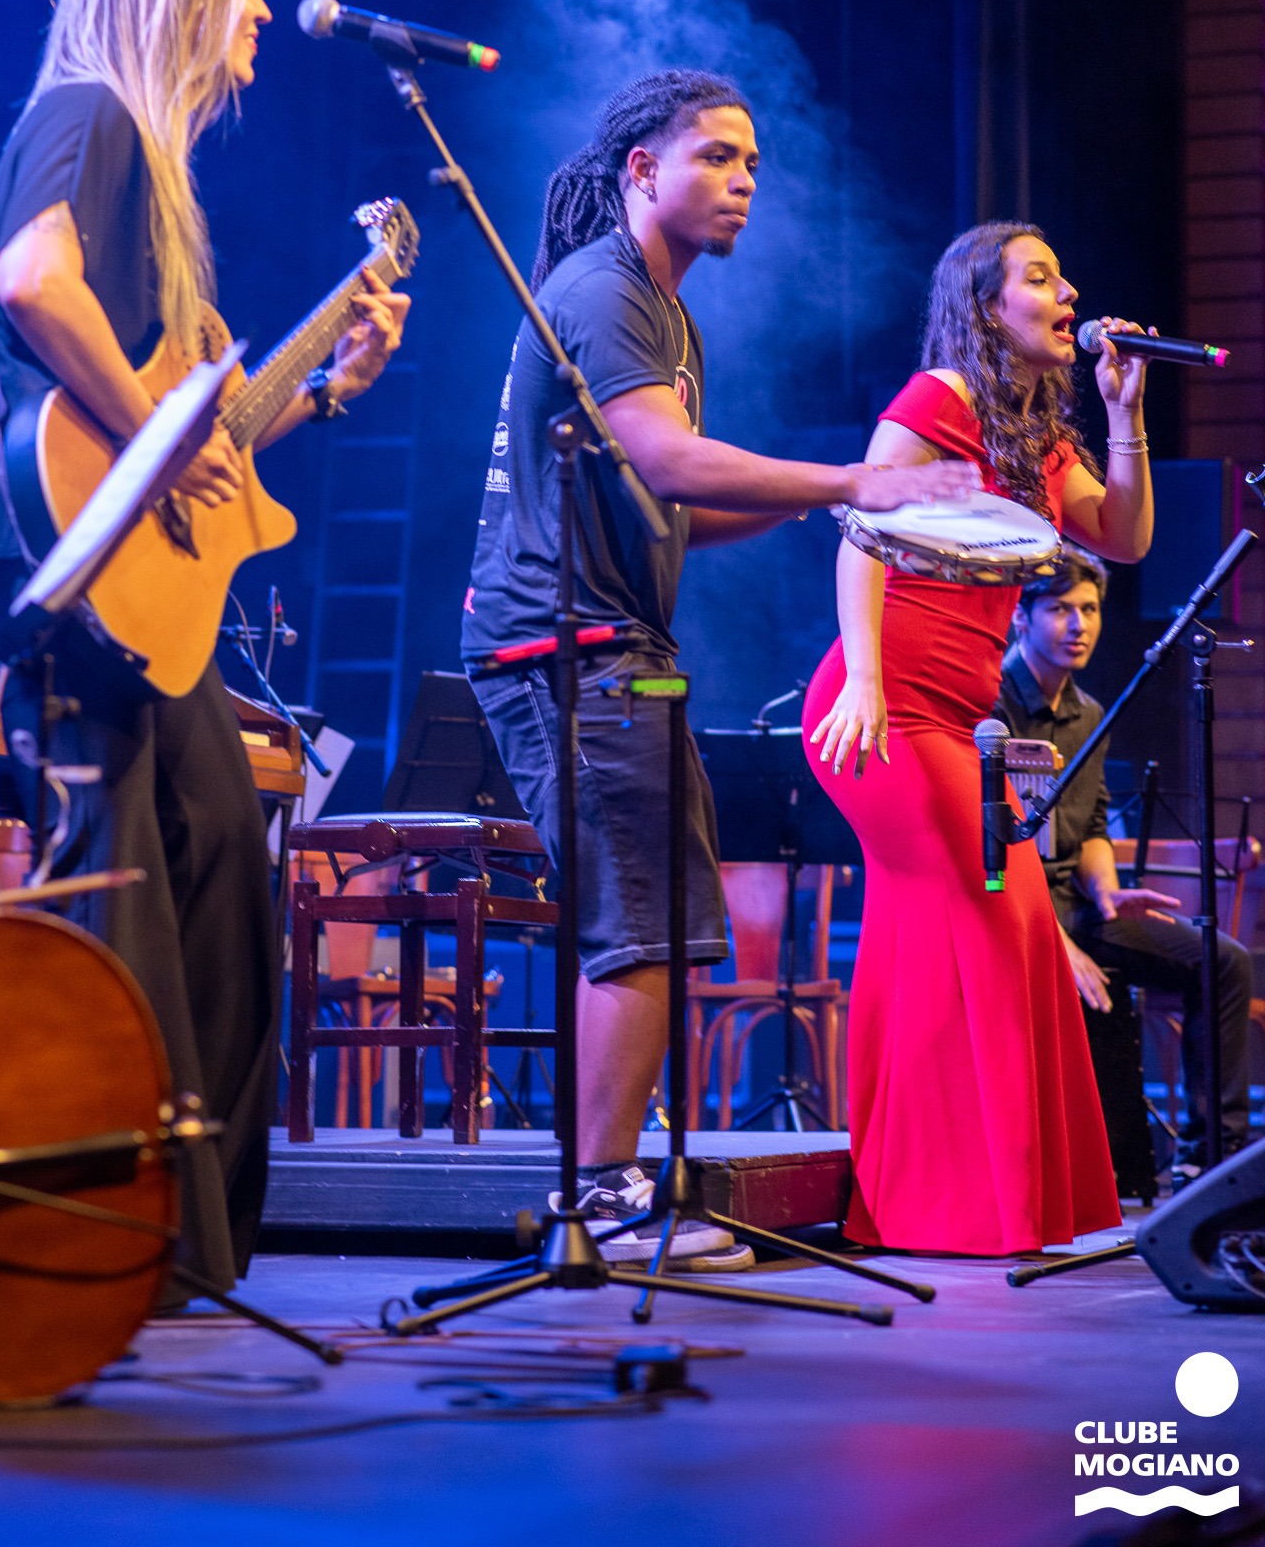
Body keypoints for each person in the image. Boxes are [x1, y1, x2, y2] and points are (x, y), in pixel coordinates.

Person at [0, 0, 409, 1298]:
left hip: (117, 578)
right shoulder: (87, 113)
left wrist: (327, 390)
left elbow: (210, 458)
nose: (259, 8)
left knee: (213, 861)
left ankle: (184, 1240)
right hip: (49, 561)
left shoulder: (152, 182)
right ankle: (95, 1236)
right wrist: (153, 423)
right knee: (130, 879)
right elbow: (33, 281)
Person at [461, 69, 979, 1266]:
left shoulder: (667, 316)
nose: (744, 180)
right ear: (643, 169)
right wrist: (856, 478)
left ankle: (613, 1177)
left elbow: (676, 508)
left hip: (620, 644)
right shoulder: (603, 289)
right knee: (639, 919)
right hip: (563, 643)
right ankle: (603, 1194)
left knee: (664, 912)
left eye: (752, 161)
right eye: (717, 156)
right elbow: (671, 461)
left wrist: (836, 507)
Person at [803, 222, 1156, 1256]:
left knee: (948, 937)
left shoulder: (1039, 435)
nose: (1067, 291)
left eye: (1063, 274)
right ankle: (965, 1202)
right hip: (880, 706)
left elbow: (1125, 535)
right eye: (1040, 277)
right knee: (1003, 920)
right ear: (985, 305)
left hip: (954, 721)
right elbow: (862, 528)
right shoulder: (942, 398)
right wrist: (865, 675)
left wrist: (1124, 411)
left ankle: (933, 1198)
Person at [995, 547, 1254, 1189]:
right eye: (1060, 609)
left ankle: (1209, 1158)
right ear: (1022, 617)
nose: (1078, 625)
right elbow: (989, 848)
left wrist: (1108, 892)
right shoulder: (991, 707)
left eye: (1089, 610)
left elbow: (1090, 825)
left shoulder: (1089, 713)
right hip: (1007, 910)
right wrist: (1054, 944)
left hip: (1072, 905)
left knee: (1222, 961)